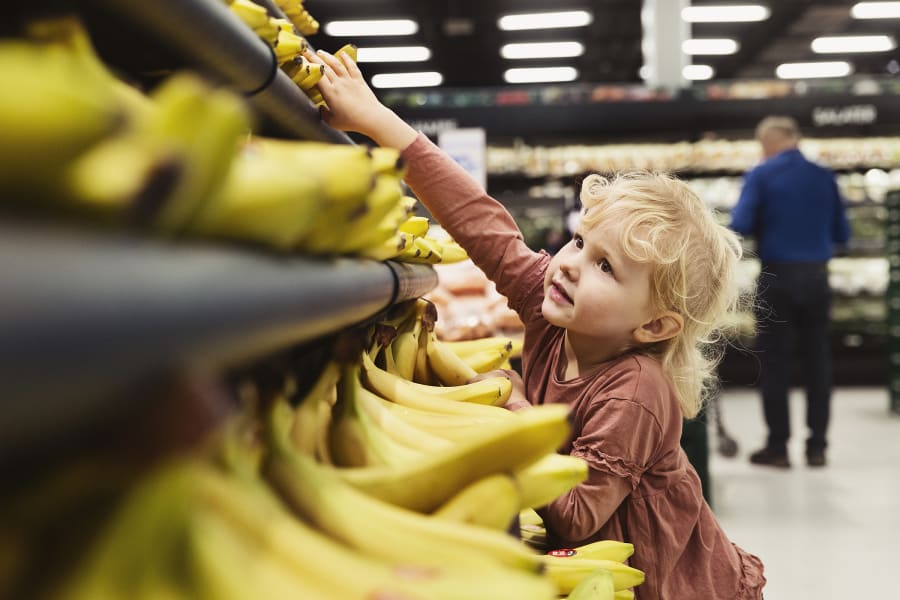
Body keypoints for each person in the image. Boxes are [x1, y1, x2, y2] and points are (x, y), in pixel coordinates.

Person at [307, 49, 766, 600]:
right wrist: (377, 121)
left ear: (654, 326)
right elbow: (483, 225)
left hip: (672, 586)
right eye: (579, 241)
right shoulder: (556, 315)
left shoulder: (636, 392)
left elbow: (574, 513)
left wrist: (514, 409)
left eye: (606, 267)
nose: (570, 264)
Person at [730, 116, 851, 469]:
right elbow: (842, 233)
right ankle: (817, 447)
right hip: (817, 277)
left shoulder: (762, 174)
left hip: (777, 277)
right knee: (818, 363)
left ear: (767, 142)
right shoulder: (824, 175)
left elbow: (740, 225)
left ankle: (778, 447)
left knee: (775, 364)